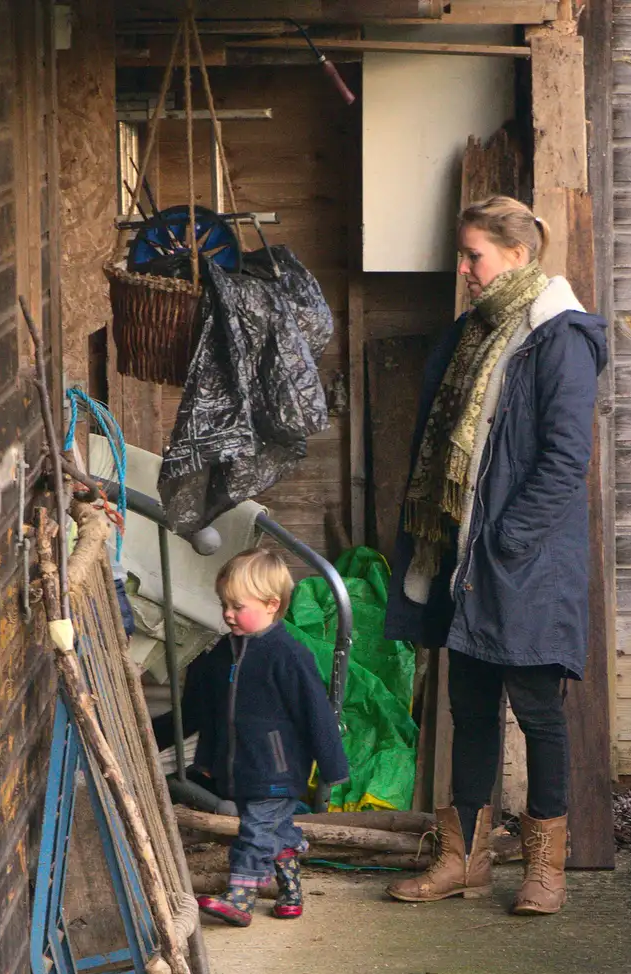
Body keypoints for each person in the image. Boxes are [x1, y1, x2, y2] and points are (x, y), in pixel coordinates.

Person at [383, 196, 608, 916]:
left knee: (538, 707)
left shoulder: (558, 338)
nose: (465, 269)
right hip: (465, 551)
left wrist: (507, 540)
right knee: (471, 703)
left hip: (525, 557)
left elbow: (565, 458)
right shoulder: (472, 334)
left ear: (516, 254)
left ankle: (546, 868)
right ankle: (464, 857)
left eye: (475, 254)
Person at [186, 548, 350, 927]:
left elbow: (317, 714)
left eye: (237, 605)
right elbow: (205, 713)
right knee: (275, 830)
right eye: (224, 604)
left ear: (272, 604)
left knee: (254, 831)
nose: (227, 613)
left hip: (277, 770)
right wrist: (205, 760)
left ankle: (240, 899)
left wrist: (332, 766)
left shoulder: (288, 655)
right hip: (242, 769)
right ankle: (290, 890)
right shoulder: (222, 654)